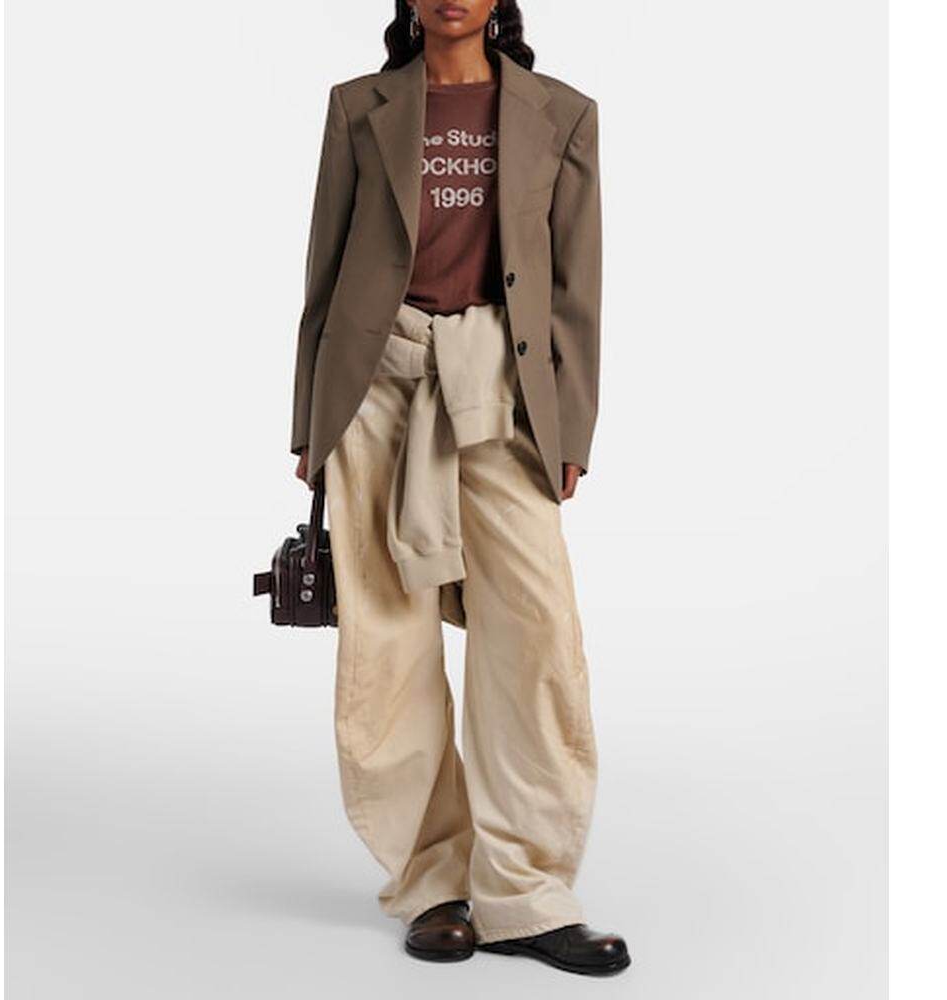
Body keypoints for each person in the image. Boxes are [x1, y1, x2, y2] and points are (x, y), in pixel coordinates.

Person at [288, 0, 630, 977]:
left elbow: (575, 289)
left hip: (501, 393)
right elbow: (324, 273)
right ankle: (431, 881)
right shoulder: (359, 106)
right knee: (388, 644)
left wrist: (572, 425)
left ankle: (527, 891)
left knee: (535, 634)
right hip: (375, 389)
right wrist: (310, 421)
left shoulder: (562, 113)